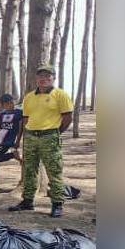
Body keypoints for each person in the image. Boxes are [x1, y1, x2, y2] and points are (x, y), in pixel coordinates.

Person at [8, 63, 74, 218]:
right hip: (30, 137)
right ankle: (27, 201)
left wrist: (55, 133)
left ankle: (57, 203)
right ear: (36, 78)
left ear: (53, 78)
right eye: (40, 76)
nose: (43, 79)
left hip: (49, 137)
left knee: (54, 171)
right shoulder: (29, 97)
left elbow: (67, 117)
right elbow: (25, 119)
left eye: (47, 76)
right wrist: (21, 138)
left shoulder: (60, 95)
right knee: (30, 169)